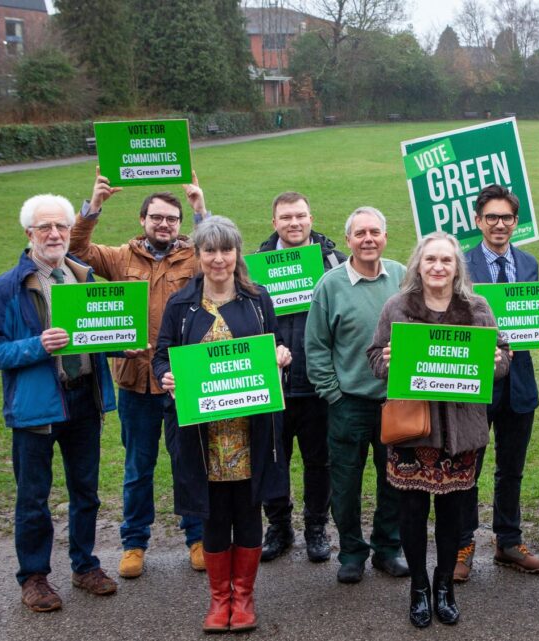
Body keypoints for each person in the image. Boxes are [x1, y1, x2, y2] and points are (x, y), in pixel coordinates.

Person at [0, 194, 119, 612]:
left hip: (83, 402)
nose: (55, 234)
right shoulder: (9, 286)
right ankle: (35, 577)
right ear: (30, 234)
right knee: (33, 497)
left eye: (60, 226)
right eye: (45, 228)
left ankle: (85, 565)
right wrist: (37, 346)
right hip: (36, 409)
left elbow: (98, 332)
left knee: (86, 492)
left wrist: (121, 345)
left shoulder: (82, 276)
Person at [153, 216, 291, 632]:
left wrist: (282, 353)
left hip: (251, 433)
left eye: (226, 250)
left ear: (237, 253)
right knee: (212, 516)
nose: (218, 259)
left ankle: (244, 598)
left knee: (248, 513)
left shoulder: (256, 299)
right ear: (198, 256)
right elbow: (162, 355)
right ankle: (219, 601)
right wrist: (167, 375)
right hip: (203, 435)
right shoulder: (181, 305)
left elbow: (277, 341)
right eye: (209, 250)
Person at [70, 169, 210, 577]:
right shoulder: (120, 258)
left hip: (184, 380)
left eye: (172, 218)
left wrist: (201, 208)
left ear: (179, 225)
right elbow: (75, 250)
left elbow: (222, 251)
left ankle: (197, 537)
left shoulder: (194, 256)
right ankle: (134, 543)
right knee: (138, 468)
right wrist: (94, 206)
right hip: (135, 381)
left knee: (190, 463)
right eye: (156, 217)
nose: (164, 224)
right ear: (142, 220)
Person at [367, 232, 511, 628]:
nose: (437, 267)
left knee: (452, 512)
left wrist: (496, 360)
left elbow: (501, 364)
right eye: (430, 259)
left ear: (456, 267)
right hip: (414, 432)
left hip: (461, 431)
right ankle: (418, 588)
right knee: (411, 513)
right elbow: (374, 361)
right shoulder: (397, 306)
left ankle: (444, 585)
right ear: (418, 264)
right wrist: (389, 360)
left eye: (446, 260)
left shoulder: (477, 308)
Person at [304, 206, 409, 584]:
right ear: (348, 240)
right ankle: (350, 552)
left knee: (394, 480)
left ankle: (387, 548)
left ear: (384, 236)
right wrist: (332, 393)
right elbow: (316, 346)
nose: (368, 239)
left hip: (395, 402)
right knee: (345, 484)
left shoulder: (401, 276)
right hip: (347, 403)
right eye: (360, 233)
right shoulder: (330, 285)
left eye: (375, 232)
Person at [455, 185, 539, 581]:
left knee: (512, 469)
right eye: (491, 217)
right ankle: (462, 543)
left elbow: (534, 323)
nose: (499, 225)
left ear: (515, 222)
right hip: (475, 383)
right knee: (467, 467)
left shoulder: (528, 264)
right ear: (478, 221)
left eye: (507, 217)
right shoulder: (461, 264)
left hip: (518, 383)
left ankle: (508, 541)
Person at [256, 192, 345, 564]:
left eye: (301, 216)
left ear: (311, 218)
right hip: (271, 382)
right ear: (274, 222)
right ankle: (278, 526)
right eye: (286, 217)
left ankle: (315, 527)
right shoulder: (257, 265)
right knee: (273, 459)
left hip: (317, 382)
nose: (295, 223)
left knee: (318, 461)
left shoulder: (332, 261)